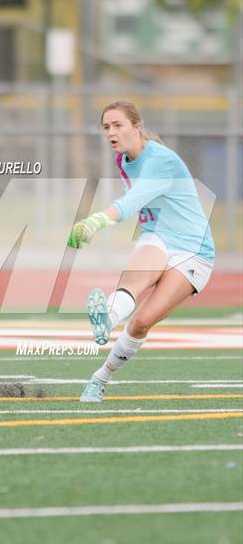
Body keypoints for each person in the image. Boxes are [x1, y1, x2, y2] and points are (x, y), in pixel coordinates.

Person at [67, 100, 215, 402]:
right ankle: (106, 320)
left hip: (193, 249)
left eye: (118, 125)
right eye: (106, 127)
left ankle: (100, 378)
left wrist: (95, 222)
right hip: (157, 237)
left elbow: (134, 200)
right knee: (132, 284)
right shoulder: (123, 160)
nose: (111, 132)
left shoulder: (161, 160)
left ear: (137, 126)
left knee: (140, 323)